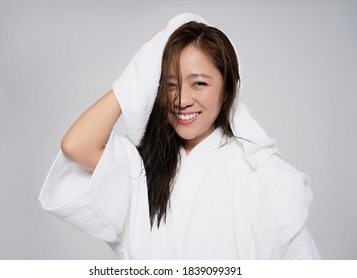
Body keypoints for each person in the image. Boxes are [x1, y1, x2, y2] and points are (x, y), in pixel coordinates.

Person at [39, 13, 320, 259]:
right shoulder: (142, 169)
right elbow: (76, 146)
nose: (182, 99)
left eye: (199, 83)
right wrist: (145, 61)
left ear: (228, 89)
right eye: (169, 85)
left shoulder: (262, 174)